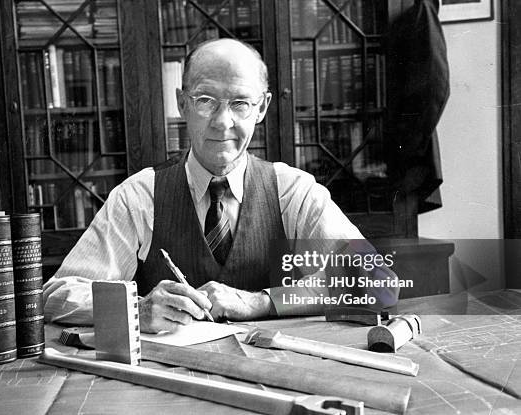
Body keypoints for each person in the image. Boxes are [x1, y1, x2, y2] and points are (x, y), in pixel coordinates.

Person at [43, 38, 399, 333]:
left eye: (240, 104)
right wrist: (136, 309)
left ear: (262, 108)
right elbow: (56, 295)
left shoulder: (294, 192)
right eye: (206, 101)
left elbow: (380, 282)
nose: (222, 122)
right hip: (170, 385)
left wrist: (260, 302)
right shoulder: (139, 196)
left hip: (277, 377)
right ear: (182, 103)